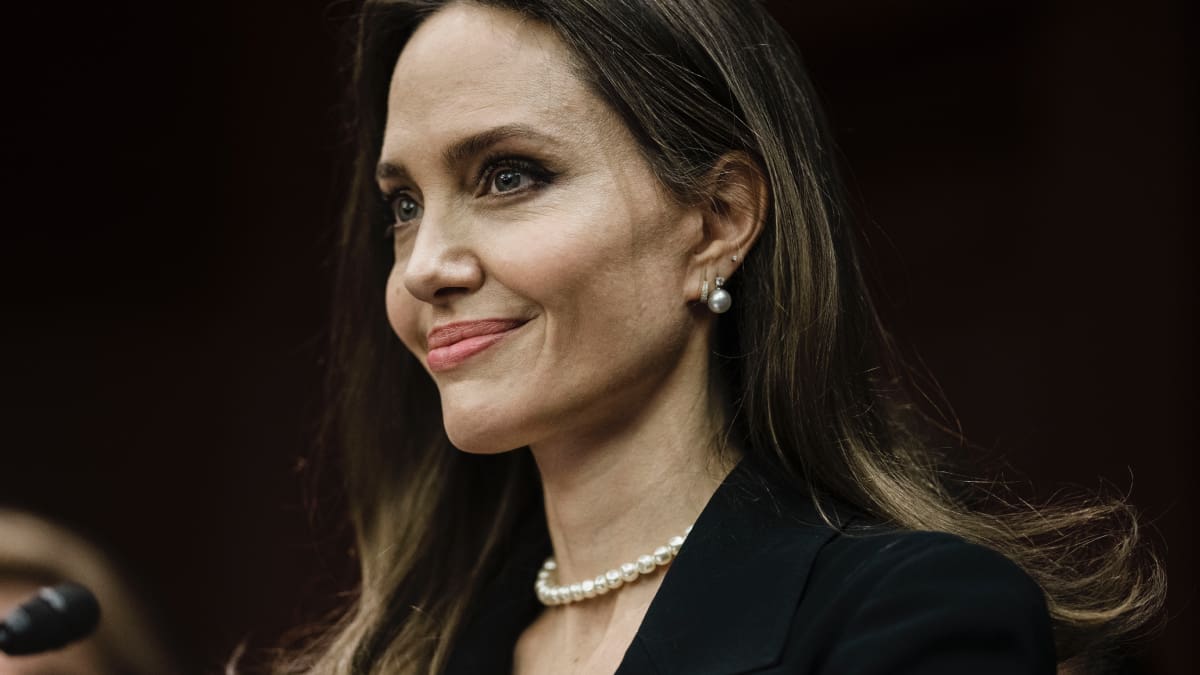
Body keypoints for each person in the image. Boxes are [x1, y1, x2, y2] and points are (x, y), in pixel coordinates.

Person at [269, 1, 1165, 673]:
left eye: (509, 175)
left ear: (718, 222)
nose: (424, 265)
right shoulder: (407, 653)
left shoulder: (913, 621)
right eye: (404, 205)